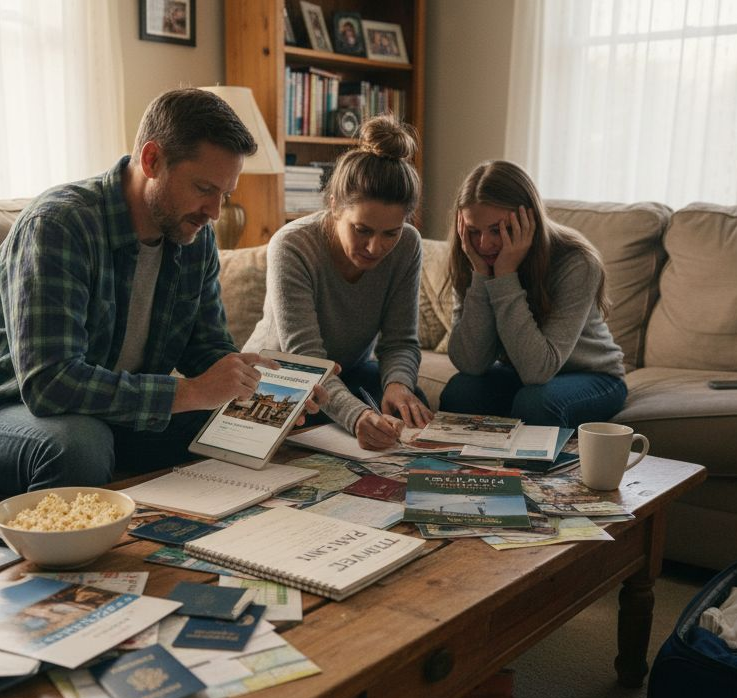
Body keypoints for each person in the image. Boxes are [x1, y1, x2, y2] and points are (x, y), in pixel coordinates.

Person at [0, 88, 322, 495]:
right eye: (204, 188)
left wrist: (257, 384)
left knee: (249, 426)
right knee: (79, 446)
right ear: (152, 160)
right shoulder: (59, 226)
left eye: (225, 195)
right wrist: (189, 392)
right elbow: (50, 383)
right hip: (4, 407)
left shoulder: (193, 235)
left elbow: (205, 349)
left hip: (113, 410)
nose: (215, 212)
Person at [242, 115, 431, 450]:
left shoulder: (409, 246)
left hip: (350, 373)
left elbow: (401, 340)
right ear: (334, 206)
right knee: (317, 414)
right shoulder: (293, 246)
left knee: (409, 403)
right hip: (282, 377)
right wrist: (357, 416)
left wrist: (399, 384)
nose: (376, 248)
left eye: (391, 233)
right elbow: (306, 359)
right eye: (362, 230)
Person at [440, 160, 626, 427]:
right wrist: (481, 277)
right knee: (461, 391)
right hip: (520, 372)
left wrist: (505, 276)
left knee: (536, 402)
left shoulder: (577, 262)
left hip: (594, 376)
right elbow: (470, 364)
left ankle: (524, 470)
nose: (484, 244)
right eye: (473, 231)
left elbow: (538, 370)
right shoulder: (472, 256)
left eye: (497, 229)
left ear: (529, 219)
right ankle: (464, 469)